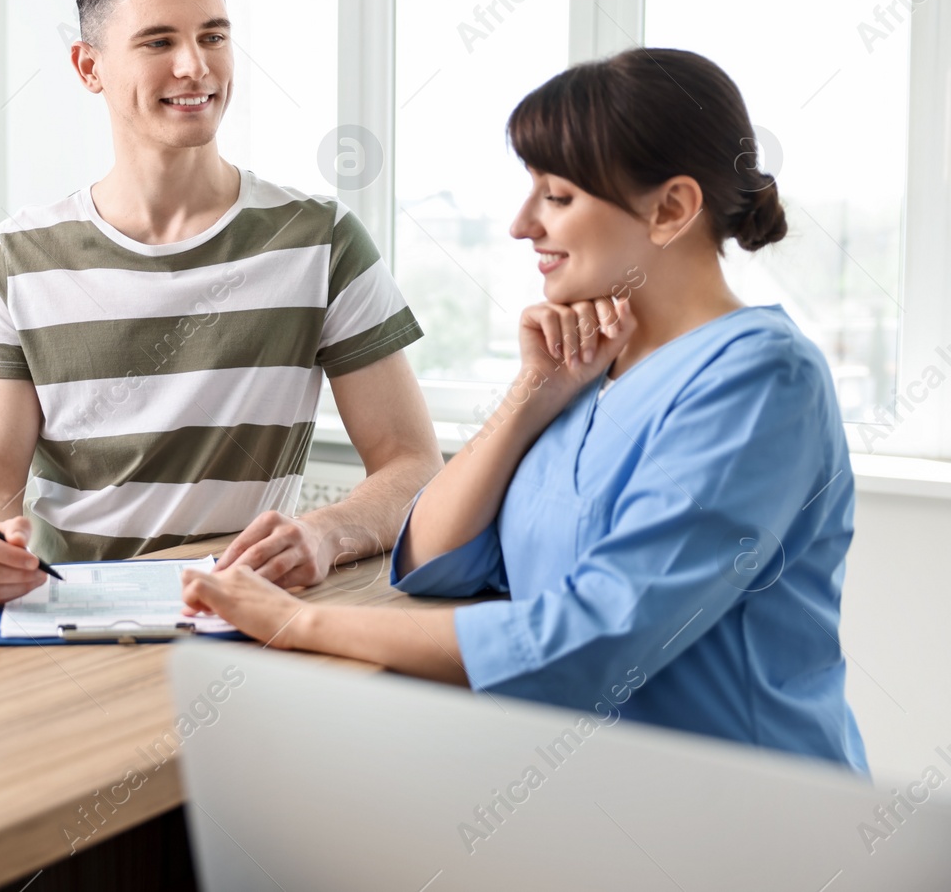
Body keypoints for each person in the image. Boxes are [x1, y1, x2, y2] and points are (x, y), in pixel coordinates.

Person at [184, 47, 869, 771]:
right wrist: (531, 395)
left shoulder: (762, 377)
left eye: (558, 196)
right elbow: (433, 559)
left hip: (754, 818)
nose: (520, 224)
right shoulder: (590, 374)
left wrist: (300, 620)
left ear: (670, 208)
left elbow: (597, 637)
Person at [0, 0, 444, 610]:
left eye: (213, 36)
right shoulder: (19, 256)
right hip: (68, 619)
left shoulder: (320, 241)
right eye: (158, 42)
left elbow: (413, 463)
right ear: (89, 68)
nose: (195, 67)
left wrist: (325, 532)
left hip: (240, 615)